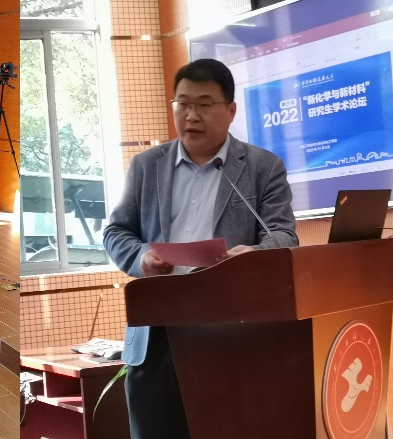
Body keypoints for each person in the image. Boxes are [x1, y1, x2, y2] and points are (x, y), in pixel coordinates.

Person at [103, 58, 299, 438]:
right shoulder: (146, 166)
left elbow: (283, 236)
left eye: (204, 105)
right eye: (183, 104)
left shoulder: (262, 168)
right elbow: (116, 231)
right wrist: (141, 258)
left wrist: (253, 256)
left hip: (230, 333)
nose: (191, 116)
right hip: (156, 332)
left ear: (230, 110)